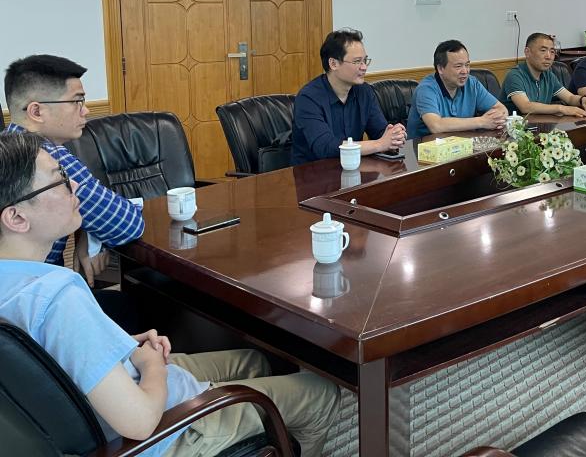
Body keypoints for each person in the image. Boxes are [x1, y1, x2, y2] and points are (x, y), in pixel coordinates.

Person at [0, 131, 343, 456]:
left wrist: (119, 344)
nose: (75, 185)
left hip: (113, 389)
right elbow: (139, 422)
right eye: (60, 179)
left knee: (257, 360)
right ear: (16, 217)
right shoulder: (58, 296)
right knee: (322, 392)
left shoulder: (19, 286)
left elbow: (50, 359)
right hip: (169, 432)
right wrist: (152, 365)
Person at [3, 55, 144, 286]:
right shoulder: (47, 157)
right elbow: (127, 224)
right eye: (76, 101)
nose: (85, 110)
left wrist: (87, 231)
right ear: (36, 111)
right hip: (33, 295)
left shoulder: (7, 146)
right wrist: (94, 229)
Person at [292, 29, 406, 165]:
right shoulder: (308, 98)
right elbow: (325, 147)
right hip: (314, 173)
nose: (364, 67)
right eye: (357, 61)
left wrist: (394, 135)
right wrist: (380, 144)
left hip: (353, 169)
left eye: (365, 60)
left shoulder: (364, 92)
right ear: (333, 64)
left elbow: (380, 132)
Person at [406, 40, 508, 138]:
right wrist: (482, 121)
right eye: (458, 66)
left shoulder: (472, 83)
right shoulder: (426, 89)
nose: (465, 71)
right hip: (426, 147)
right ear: (440, 68)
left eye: (467, 65)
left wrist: (496, 119)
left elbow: (501, 109)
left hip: (463, 145)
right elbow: (436, 126)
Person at [502, 33, 586, 117]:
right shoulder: (515, 75)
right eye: (543, 50)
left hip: (539, 125)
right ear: (527, 52)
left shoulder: (548, 75)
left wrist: (582, 100)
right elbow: (525, 107)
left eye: (552, 52)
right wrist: (561, 108)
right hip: (514, 129)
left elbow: (569, 98)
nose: (549, 56)